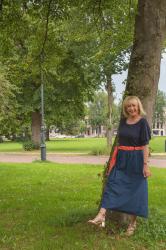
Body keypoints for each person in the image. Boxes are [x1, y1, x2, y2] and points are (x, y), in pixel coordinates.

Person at [88, 96, 151, 236]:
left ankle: (132, 223)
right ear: (125, 108)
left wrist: (145, 165)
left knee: (137, 191)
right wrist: (114, 161)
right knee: (113, 183)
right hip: (122, 158)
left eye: (134, 106)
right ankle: (101, 215)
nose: (131, 108)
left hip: (136, 160)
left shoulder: (142, 123)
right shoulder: (123, 121)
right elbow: (119, 142)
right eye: (129, 106)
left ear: (138, 106)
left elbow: (145, 145)